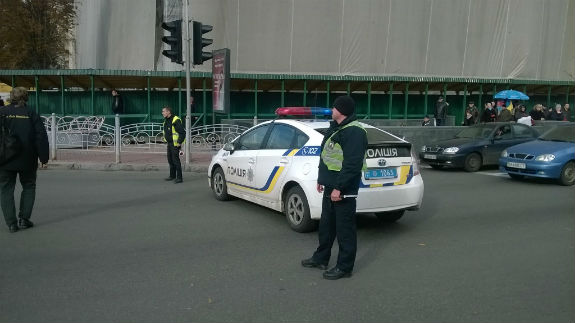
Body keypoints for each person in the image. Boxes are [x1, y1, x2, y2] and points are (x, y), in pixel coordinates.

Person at [301, 95, 368, 280]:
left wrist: (339, 187)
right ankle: (321, 258)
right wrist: (322, 179)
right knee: (327, 225)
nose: (331, 110)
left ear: (342, 110)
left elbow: (352, 164)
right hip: (332, 185)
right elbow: (327, 156)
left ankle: (344, 267)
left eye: (334, 107)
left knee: (344, 229)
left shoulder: (354, 131)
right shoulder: (337, 128)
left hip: (343, 188)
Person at [0, 87, 49, 233]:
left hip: (5, 158)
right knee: (29, 186)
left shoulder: (2, 112)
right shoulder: (31, 113)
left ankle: (11, 223)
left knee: (5, 189)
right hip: (28, 157)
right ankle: (24, 219)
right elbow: (40, 136)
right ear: (26, 97)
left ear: (11, 97)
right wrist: (43, 157)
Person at [162, 106, 185, 183]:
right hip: (169, 143)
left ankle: (179, 178)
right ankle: (172, 176)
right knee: (170, 160)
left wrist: (179, 142)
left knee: (176, 161)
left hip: (175, 144)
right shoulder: (166, 120)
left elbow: (182, 132)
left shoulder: (175, 120)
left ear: (168, 112)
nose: (163, 113)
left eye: (164, 111)